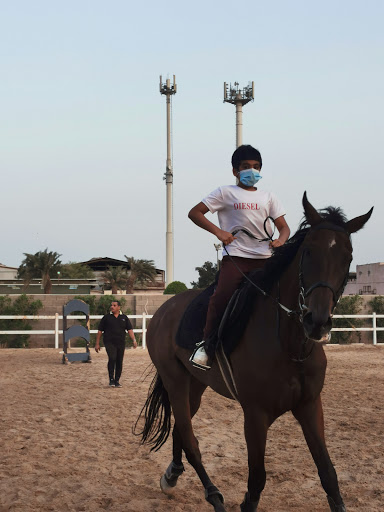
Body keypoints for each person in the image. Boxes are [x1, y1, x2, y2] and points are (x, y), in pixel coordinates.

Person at [188, 144, 290, 370]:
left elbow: (284, 228)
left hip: (266, 258)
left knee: (290, 295)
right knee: (221, 297)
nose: (251, 171)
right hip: (237, 257)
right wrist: (219, 232)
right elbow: (194, 213)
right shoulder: (225, 193)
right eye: (245, 167)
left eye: (256, 167)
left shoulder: (269, 197)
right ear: (235, 170)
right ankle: (207, 345)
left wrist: (280, 241)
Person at [95, 300, 137, 387]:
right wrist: (97, 343)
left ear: (119, 307)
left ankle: (117, 380)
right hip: (109, 342)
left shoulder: (124, 318)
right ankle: (111, 379)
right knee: (112, 358)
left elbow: (129, 330)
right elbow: (99, 331)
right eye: (111, 305)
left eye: (114, 305)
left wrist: (134, 340)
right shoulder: (106, 318)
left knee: (119, 361)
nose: (112, 307)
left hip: (121, 342)